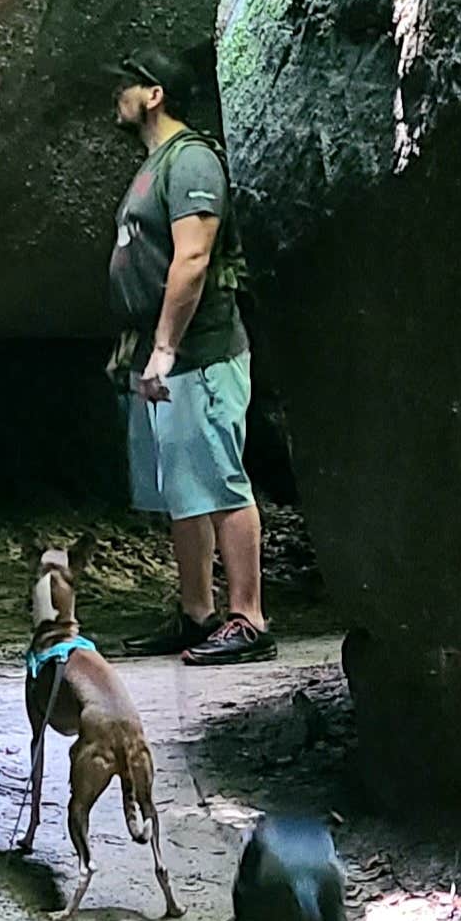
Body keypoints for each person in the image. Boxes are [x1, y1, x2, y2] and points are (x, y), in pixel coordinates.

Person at [109, 57, 273, 663]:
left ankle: (249, 619)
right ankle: (198, 614)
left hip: (200, 353)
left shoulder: (193, 160)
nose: (114, 97)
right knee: (184, 487)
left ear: (155, 93)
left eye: (124, 85)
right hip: (164, 359)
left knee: (222, 479)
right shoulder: (155, 167)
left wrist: (165, 347)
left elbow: (193, 257)